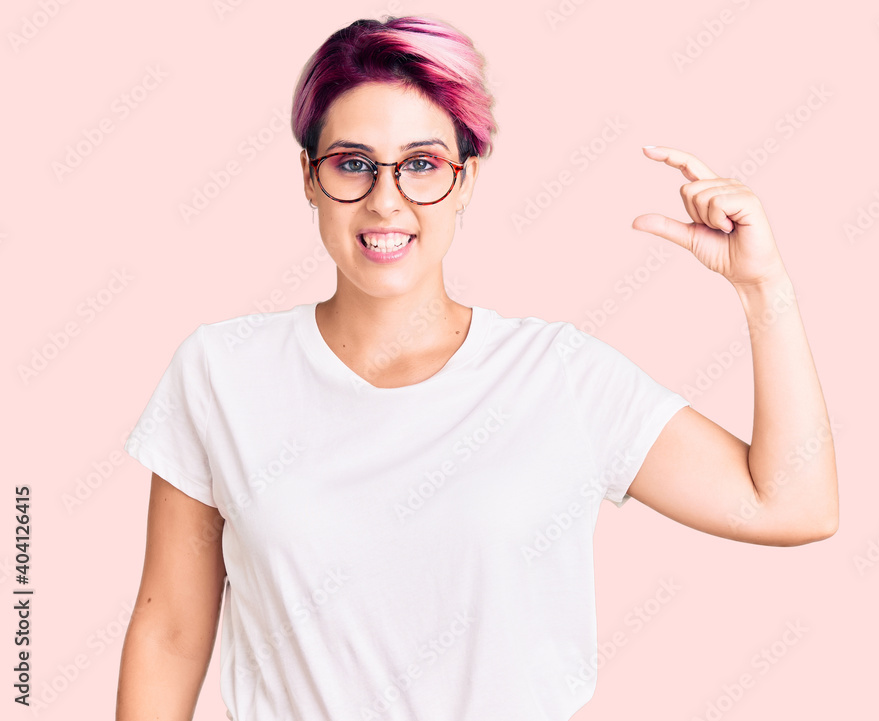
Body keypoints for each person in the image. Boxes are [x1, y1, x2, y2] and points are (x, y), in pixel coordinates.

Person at [115, 14, 839, 721]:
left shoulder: (561, 377)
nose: (386, 198)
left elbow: (792, 503)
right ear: (309, 175)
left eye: (422, 164)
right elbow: (171, 633)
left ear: (464, 180)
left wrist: (763, 288)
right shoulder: (221, 373)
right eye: (353, 163)